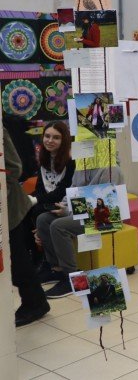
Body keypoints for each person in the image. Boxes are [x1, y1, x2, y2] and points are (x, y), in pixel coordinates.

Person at [36, 166, 125, 299]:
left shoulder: (111, 169)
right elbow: (72, 191)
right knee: (43, 219)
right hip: (80, 213)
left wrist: (68, 212)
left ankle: (72, 277)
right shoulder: (82, 165)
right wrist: (63, 206)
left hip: (104, 217)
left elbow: (103, 205)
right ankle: (57, 270)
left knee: (58, 226)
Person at [5, 127, 50, 326]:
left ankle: (35, 303)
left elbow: (13, 167)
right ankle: (36, 301)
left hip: (9, 207)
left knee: (17, 259)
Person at [31, 121, 76, 287]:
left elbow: (63, 191)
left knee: (47, 219)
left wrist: (37, 201)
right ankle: (50, 266)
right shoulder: (44, 158)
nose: (50, 140)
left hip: (67, 205)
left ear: (64, 140)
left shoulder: (71, 161)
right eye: (47, 136)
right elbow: (40, 189)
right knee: (32, 213)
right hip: (54, 204)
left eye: (56, 137)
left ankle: (68, 275)